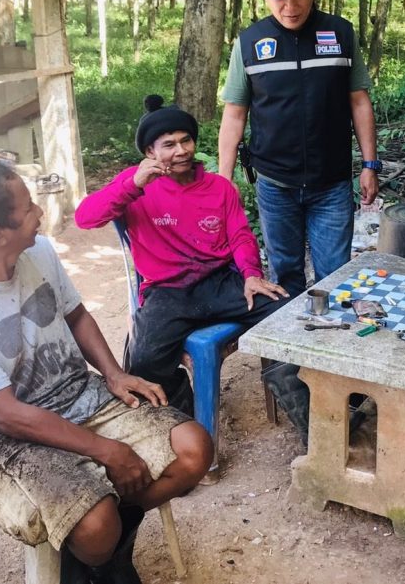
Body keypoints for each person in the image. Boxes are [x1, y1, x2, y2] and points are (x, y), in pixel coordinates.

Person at [0, 161, 213, 584]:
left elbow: (76, 315)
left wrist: (114, 374)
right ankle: (101, 551)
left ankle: (102, 549)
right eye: (28, 208)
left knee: (194, 449)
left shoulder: (37, 251)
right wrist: (108, 451)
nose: (39, 211)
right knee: (94, 521)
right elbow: (7, 416)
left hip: (76, 394)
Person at [75, 96, 289, 415]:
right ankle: (182, 421)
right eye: (169, 144)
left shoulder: (219, 187)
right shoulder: (135, 185)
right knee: (144, 361)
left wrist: (250, 274)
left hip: (220, 282)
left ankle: (302, 406)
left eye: (186, 140)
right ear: (150, 152)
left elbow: (240, 236)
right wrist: (133, 185)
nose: (181, 150)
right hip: (166, 291)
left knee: (288, 315)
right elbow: (85, 218)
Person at [218, 0, 380, 298]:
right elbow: (234, 113)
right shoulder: (249, 43)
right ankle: (285, 338)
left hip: (332, 183)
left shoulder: (340, 33)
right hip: (275, 184)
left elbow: (359, 101)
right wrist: (224, 179)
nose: (290, 6)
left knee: (334, 278)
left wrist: (370, 165)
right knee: (284, 277)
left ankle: (329, 335)